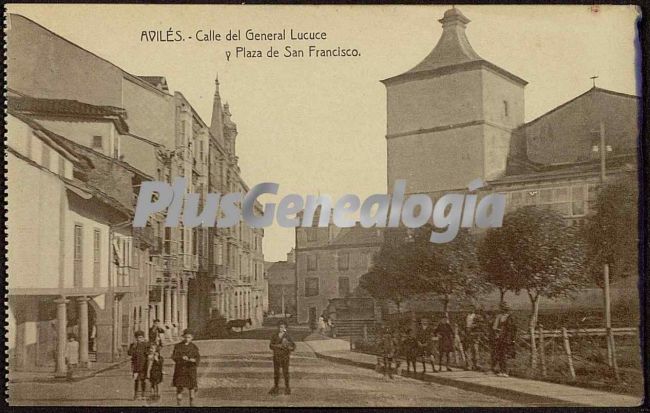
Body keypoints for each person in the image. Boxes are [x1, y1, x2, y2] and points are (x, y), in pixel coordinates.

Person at [172, 329, 201, 406]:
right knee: (179, 386)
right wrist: (181, 357)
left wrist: (193, 360)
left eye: (189, 337)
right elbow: (174, 356)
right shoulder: (178, 346)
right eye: (185, 337)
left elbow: (197, 357)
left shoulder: (194, 347)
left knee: (191, 386)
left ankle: (192, 402)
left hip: (190, 369)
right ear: (183, 337)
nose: (187, 339)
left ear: (192, 338)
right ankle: (179, 403)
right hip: (180, 369)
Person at [268, 320, 296, 395]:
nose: (281, 328)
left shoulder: (288, 336)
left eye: (283, 327)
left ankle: (287, 387)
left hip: (285, 356)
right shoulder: (274, 335)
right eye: (280, 327)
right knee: (276, 372)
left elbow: (293, 346)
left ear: (285, 328)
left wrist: (288, 347)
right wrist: (277, 346)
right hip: (276, 356)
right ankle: (276, 387)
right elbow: (270, 345)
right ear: (278, 327)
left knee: (285, 372)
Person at [492, 303, 517, 377]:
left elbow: (514, 329)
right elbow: (495, 327)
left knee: (506, 354)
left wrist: (513, 339)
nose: (505, 310)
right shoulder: (499, 317)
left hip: (508, 337)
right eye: (504, 309)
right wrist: (497, 333)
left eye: (507, 309)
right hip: (500, 337)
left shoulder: (511, 317)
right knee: (500, 354)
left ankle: (506, 371)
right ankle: (501, 370)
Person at [127, 330, 150, 400]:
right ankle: (136, 395)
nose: (140, 339)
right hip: (136, 365)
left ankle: (143, 394)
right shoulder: (133, 345)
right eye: (138, 337)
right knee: (136, 380)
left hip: (144, 365)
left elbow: (148, 352)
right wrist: (133, 347)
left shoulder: (146, 345)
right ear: (136, 338)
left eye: (141, 337)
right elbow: (129, 353)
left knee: (143, 380)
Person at [463, 305, 481, 370]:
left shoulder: (477, 316)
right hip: (467, 334)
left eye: (471, 308)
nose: (470, 309)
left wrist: (473, 326)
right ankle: (468, 365)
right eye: (469, 308)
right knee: (467, 349)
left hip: (474, 334)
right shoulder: (465, 316)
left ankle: (476, 365)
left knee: (475, 349)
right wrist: (464, 331)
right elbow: (462, 324)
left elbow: (480, 324)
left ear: (474, 309)